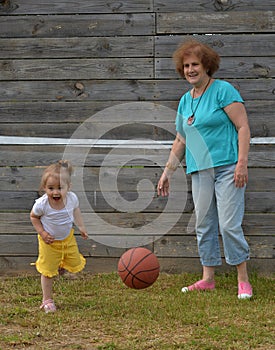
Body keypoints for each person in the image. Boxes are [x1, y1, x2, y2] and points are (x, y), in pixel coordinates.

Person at [157, 39, 252, 299]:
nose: (190, 70)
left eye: (195, 64)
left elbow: (243, 127)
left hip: (228, 168)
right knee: (204, 224)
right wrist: (167, 172)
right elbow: (181, 140)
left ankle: (243, 280)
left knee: (230, 225)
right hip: (200, 171)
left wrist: (242, 163)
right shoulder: (185, 101)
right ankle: (207, 279)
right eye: (186, 65)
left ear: (206, 65)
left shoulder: (223, 90)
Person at [30, 160, 88, 313]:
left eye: (60, 188)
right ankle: (47, 300)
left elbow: (76, 211)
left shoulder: (72, 198)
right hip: (49, 242)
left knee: (74, 262)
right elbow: (34, 217)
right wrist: (42, 233)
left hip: (67, 239)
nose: (55, 192)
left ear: (69, 188)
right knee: (47, 271)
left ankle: (60, 265)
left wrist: (81, 226)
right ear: (44, 188)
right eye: (50, 188)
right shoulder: (42, 204)